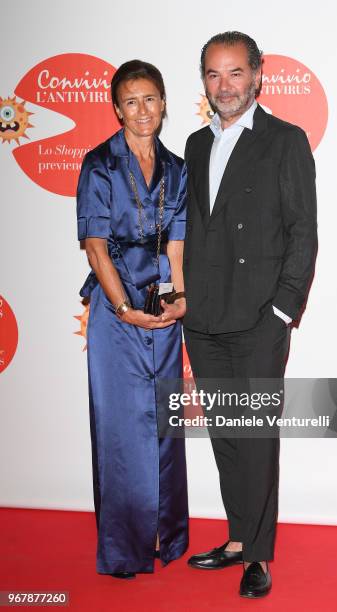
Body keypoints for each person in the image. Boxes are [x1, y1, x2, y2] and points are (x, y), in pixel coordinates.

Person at [183, 32, 317, 598]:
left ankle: (258, 557)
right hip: (205, 317)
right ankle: (238, 537)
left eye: (235, 73)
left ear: (257, 76)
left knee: (257, 436)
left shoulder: (285, 140)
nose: (225, 86)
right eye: (214, 75)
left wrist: (283, 310)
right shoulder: (194, 143)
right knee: (227, 435)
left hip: (261, 315)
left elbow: (302, 232)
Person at [76, 60, 188, 579]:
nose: (142, 110)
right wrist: (125, 311)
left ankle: (165, 536)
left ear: (163, 103)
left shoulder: (178, 166)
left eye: (150, 99)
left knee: (165, 426)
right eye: (130, 101)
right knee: (121, 430)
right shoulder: (98, 164)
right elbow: (96, 248)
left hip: (163, 310)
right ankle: (125, 547)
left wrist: (180, 298)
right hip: (115, 311)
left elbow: (179, 244)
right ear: (116, 108)